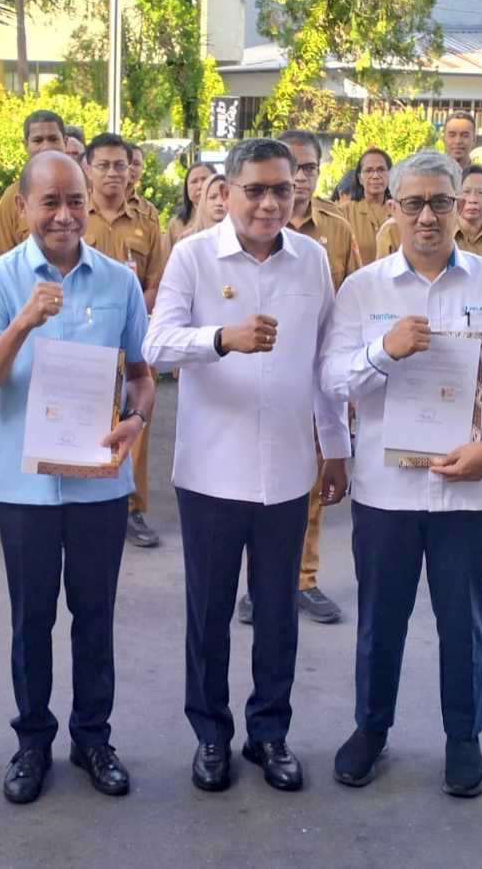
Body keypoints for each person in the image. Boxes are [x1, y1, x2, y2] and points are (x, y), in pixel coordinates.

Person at [320, 151, 482, 794]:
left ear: (461, 206)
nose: (427, 216)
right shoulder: (364, 290)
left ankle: (463, 736)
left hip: (467, 491)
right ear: (393, 209)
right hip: (385, 492)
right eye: (412, 203)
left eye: (440, 202)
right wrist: (380, 352)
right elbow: (333, 380)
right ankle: (370, 728)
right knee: (379, 620)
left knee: (462, 623)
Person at [143, 138, 350, 794]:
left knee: (278, 611)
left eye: (281, 189)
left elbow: (324, 362)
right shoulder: (193, 256)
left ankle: (269, 733)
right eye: (255, 190)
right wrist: (219, 339)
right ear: (226, 192)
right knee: (209, 612)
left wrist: (335, 445)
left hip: (287, 468)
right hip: (211, 469)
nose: (268, 203)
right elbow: (155, 344)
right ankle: (211, 733)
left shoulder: (312, 259)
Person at [0, 151, 154, 805]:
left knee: (95, 616)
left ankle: (93, 738)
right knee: (32, 620)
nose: (65, 215)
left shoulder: (119, 281)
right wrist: (23, 322)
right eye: (50, 202)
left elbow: (142, 375)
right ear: (23, 206)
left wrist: (136, 421)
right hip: (24, 490)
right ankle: (32, 741)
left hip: (99, 483)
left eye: (75, 200)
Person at [236, 128, 360, 626]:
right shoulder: (246, 222)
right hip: (253, 381)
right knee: (254, 489)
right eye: (295, 169)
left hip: (313, 379)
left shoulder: (336, 231)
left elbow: (348, 306)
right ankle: (257, 585)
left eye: (309, 168)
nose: (302, 178)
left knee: (310, 485)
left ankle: (303, 578)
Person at [83, 132, 168, 548]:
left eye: (121, 165)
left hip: (131, 334)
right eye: (104, 165)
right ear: (88, 169)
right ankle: (86, 490)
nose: (113, 173)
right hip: (85, 337)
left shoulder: (147, 219)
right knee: (85, 416)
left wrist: (131, 311)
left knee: (135, 415)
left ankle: (132, 507)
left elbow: (157, 281)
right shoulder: (77, 214)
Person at [0, 110, 67, 254]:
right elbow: (1, 258)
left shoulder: (87, 190)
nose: (46, 147)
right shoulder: (13, 196)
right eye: (38, 140)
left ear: (65, 142)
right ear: (25, 145)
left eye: (53, 139)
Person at [341, 147, 392, 265]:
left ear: (390, 175)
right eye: (369, 170)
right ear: (360, 178)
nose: (375, 176)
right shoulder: (344, 212)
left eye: (381, 169)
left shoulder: (400, 210)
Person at [168, 161, 217, 248]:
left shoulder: (231, 220)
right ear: (186, 188)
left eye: (205, 179)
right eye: (194, 181)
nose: (200, 186)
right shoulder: (175, 225)